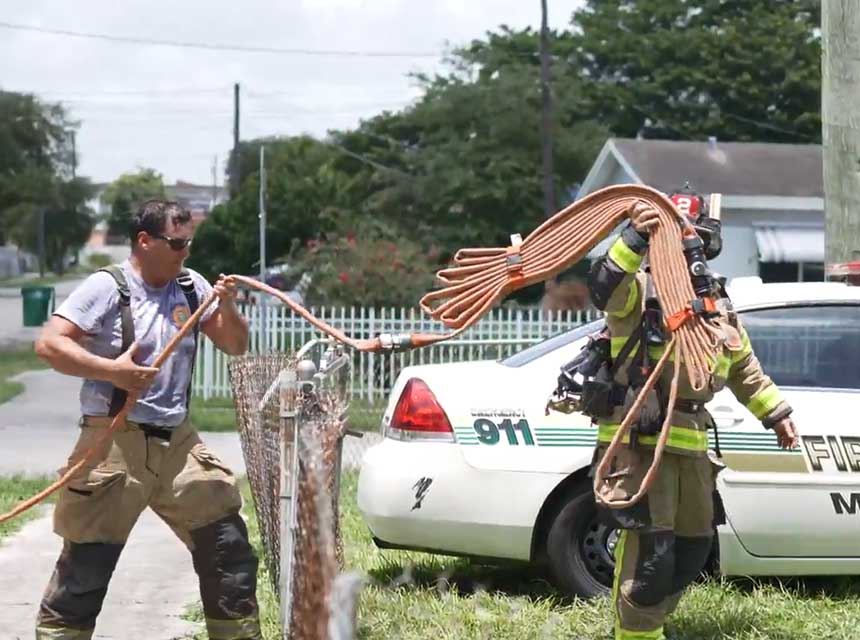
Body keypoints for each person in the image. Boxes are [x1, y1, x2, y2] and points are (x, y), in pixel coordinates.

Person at [33, 200, 259, 640]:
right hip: (115, 439)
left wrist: (228, 306)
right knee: (87, 569)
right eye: (177, 243)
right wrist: (111, 371)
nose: (185, 252)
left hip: (178, 440)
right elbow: (49, 345)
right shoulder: (106, 287)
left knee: (228, 549)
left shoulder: (191, 287)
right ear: (144, 240)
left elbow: (235, 345)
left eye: (189, 242)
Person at [586, 189, 799, 640]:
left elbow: (744, 369)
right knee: (652, 552)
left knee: (692, 548)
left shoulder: (716, 305)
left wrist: (776, 413)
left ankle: (653, 624)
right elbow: (602, 286)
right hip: (643, 447)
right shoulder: (638, 295)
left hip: (692, 449)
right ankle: (636, 634)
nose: (687, 250)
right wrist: (634, 237)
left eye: (694, 239)